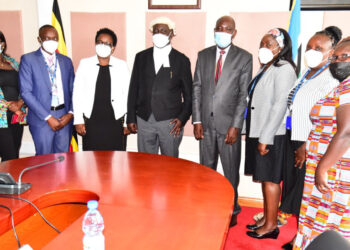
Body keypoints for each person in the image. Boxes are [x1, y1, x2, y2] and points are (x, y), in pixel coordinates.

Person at [279, 26, 342, 250]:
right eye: (309, 47)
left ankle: (307, 239)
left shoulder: (333, 76)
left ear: (331, 51)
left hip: (309, 142)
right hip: (294, 136)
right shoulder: (307, 72)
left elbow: (327, 117)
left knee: (305, 195)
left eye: (318, 48)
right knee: (297, 193)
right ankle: (300, 237)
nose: (311, 51)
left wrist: (304, 144)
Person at [192, 16, 253, 226]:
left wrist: (236, 125)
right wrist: (197, 121)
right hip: (206, 125)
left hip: (229, 127)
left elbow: (242, 95)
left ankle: (232, 210)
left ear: (234, 33)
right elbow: (197, 88)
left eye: (227, 29)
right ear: (214, 30)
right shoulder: (204, 55)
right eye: (219, 28)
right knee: (206, 170)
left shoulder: (244, 57)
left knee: (230, 171)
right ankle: (207, 205)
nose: (222, 31)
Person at [293, 38, 350, 249]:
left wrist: (322, 167)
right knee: (319, 220)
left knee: (327, 224)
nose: (338, 61)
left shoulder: (348, 87)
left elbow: (346, 132)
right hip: (328, 164)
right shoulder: (342, 85)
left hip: (334, 170)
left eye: (344, 57)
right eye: (335, 57)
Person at [244, 28, 297, 239]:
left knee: (271, 180)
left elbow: (279, 106)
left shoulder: (284, 69)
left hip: (272, 134)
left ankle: (271, 226)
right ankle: (267, 219)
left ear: (281, 47)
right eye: (261, 44)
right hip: (260, 130)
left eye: (268, 44)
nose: (263, 48)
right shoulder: (267, 67)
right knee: (265, 180)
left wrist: (265, 138)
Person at [127, 17, 192, 157]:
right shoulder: (141, 57)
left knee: (170, 165)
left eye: (163, 31)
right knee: (145, 164)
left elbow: (189, 95)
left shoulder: (181, 60)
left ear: (171, 33)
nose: (159, 34)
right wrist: (131, 118)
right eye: (156, 31)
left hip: (170, 122)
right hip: (144, 119)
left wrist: (182, 118)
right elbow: (133, 89)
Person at [19, 25, 74, 155]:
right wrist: (48, 117)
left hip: (64, 117)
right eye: (47, 38)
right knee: (44, 162)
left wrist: (71, 113)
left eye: (55, 38)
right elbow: (26, 92)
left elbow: (74, 90)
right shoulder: (28, 60)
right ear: (39, 39)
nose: (52, 41)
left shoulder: (66, 61)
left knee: (63, 161)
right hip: (42, 118)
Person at [73, 28, 130, 151]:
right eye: (100, 42)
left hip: (115, 121)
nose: (102, 46)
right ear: (95, 44)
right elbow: (77, 93)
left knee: (116, 161)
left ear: (113, 47)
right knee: (91, 161)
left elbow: (128, 95)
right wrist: (78, 120)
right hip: (91, 121)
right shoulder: (85, 64)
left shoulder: (122, 66)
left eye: (107, 43)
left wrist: (127, 122)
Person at [0, 31, 26, 161]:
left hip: (16, 115)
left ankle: (11, 181)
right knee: (8, 155)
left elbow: (25, 85)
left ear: (2, 44)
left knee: (14, 154)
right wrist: (9, 105)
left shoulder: (13, 63)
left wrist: (20, 103)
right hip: (1, 117)